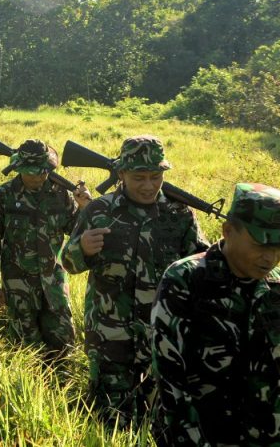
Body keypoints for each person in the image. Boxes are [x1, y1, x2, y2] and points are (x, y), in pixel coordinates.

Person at [61, 135, 209, 426]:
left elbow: (201, 266)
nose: (148, 185)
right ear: (122, 174)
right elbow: (68, 262)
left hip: (163, 334)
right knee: (110, 416)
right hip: (110, 335)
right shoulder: (99, 210)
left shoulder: (179, 214)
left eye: (156, 177)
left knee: (161, 416)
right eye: (139, 177)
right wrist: (82, 250)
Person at [151, 183, 280, 446]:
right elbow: (171, 379)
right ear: (228, 230)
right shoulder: (186, 281)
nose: (271, 257)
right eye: (260, 244)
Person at [0, 139, 91, 362]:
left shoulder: (62, 193)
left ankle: (61, 384)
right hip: (18, 283)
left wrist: (85, 209)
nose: (39, 177)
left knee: (64, 341)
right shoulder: (2, 195)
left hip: (54, 281)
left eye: (44, 172)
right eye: (32, 173)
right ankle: (29, 387)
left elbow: (75, 231)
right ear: (18, 169)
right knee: (25, 346)